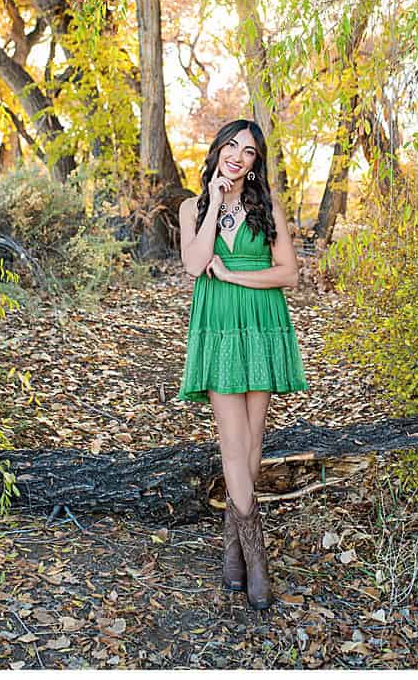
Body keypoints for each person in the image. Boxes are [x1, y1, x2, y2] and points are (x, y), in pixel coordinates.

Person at [176, 119, 306, 610]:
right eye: (231, 146)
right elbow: (193, 264)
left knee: (253, 442)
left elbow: (289, 273)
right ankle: (257, 558)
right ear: (218, 151)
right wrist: (213, 198)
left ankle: (233, 549)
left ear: (256, 163)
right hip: (218, 326)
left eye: (248, 152)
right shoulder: (193, 207)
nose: (238, 156)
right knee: (233, 443)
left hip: (262, 321)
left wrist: (233, 276)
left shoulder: (267, 206)